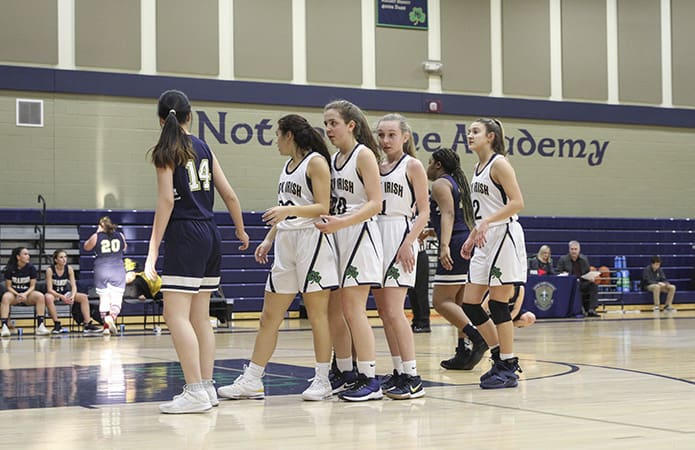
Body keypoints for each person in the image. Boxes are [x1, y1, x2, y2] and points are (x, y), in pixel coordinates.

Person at [217, 114, 338, 402]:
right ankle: (253, 379)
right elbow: (286, 207)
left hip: (313, 240)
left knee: (317, 315)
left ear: (290, 136)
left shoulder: (316, 162)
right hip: (286, 241)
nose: (275, 141)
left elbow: (324, 206)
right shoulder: (287, 167)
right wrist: (269, 238)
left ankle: (323, 379)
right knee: (269, 316)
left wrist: (286, 214)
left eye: (277, 135)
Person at [144, 90, 249, 414]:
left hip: (185, 234)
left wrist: (152, 250)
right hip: (211, 234)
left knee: (174, 315)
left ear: (162, 120)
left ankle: (193, 391)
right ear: (191, 117)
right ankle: (206, 386)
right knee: (200, 317)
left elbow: (166, 201)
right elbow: (229, 195)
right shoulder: (204, 147)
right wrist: (241, 229)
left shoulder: (166, 150)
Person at [315, 99, 384, 402]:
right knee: (338, 310)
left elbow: (375, 203)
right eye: (326, 123)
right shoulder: (334, 159)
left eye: (334, 123)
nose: (328, 128)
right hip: (340, 234)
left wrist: (341, 221)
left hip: (361, 235)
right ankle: (346, 372)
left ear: (351, 125)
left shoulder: (363, 155)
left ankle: (370, 378)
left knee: (354, 309)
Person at [460, 118, 527, 389]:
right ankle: (500, 354)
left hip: (504, 236)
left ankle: (508, 366)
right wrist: (473, 234)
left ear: (490, 136)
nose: (470, 135)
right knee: (470, 303)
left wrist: (486, 223)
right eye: (469, 132)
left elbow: (517, 203)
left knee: (499, 303)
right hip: (485, 239)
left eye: (475, 131)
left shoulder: (499, 163)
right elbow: (484, 210)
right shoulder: (477, 166)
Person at [371, 113, 429, 400]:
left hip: (399, 233)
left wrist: (409, 242)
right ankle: (399, 371)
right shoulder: (376, 166)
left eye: (391, 134)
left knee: (395, 311)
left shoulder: (413, 165)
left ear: (405, 136)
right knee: (384, 313)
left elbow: (425, 211)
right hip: (376, 234)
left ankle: (413, 376)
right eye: (381, 134)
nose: (385, 140)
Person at [427, 148, 487, 371]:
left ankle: (477, 336)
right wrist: (433, 233)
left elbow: (449, 215)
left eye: (430, 162)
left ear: (439, 165)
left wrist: (443, 245)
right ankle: (462, 350)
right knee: (460, 303)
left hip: (454, 242)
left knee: (441, 302)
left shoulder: (441, 184)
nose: (428, 166)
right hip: (466, 240)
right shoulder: (459, 183)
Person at [83, 216, 128, 335]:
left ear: (100, 226)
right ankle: (111, 318)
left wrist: (97, 233)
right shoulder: (120, 235)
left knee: (104, 299)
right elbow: (125, 247)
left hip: (101, 269)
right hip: (117, 270)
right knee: (116, 301)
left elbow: (86, 247)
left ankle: (106, 327)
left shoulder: (96, 236)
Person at [45, 249, 101, 334]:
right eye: (61, 257)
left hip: (65, 292)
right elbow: (49, 289)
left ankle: (87, 324)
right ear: (56, 260)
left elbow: (74, 286)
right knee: (48, 297)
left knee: (83, 297)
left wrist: (72, 295)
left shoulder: (69, 268)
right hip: (55, 293)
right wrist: (61, 297)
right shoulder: (50, 270)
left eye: (65, 257)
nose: (64, 259)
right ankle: (57, 324)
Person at [1, 247, 50, 337]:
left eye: (28, 254)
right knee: (5, 297)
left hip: (27, 294)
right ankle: (4, 326)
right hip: (14, 294)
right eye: (25, 254)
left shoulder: (31, 268)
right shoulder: (10, 269)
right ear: (18, 257)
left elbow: (32, 286)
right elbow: (8, 287)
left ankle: (40, 326)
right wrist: (18, 294)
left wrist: (25, 294)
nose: (28, 256)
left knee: (40, 296)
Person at [556, 240, 599, 317]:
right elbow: (558, 273)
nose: (574, 251)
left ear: (579, 250)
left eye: (575, 249)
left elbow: (587, 272)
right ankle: (579, 309)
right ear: (569, 250)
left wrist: (590, 277)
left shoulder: (584, 259)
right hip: (569, 285)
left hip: (582, 283)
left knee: (593, 285)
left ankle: (591, 309)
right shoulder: (563, 259)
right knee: (576, 287)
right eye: (572, 249)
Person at [409, 228, 434, 333]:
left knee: (420, 290)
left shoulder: (422, 216)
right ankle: (416, 320)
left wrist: (425, 233)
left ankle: (424, 322)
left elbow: (431, 231)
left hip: (420, 253)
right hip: (410, 253)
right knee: (412, 291)